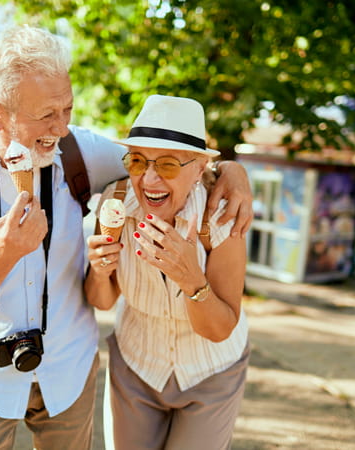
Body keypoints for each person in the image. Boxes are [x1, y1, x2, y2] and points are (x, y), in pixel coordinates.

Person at [0, 25, 252, 450]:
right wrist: (2, 254)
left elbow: (170, 166)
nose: (60, 129)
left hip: (67, 371)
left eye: (68, 109)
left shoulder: (80, 153)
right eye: (46, 115)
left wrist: (235, 174)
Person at [85, 94, 250, 450]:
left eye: (169, 165)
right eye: (139, 161)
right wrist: (99, 271)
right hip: (137, 364)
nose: (149, 179)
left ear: (199, 168)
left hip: (210, 370)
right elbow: (101, 300)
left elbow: (220, 328)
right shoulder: (114, 204)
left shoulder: (219, 218)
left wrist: (192, 278)